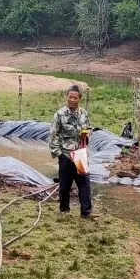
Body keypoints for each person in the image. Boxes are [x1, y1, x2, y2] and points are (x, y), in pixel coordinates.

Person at [49, 85, 93, 217]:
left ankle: (86, 212)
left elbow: (89, 128)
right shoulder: (60, 114)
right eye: (70, 97)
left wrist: (86, 133)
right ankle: (64, 210)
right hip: (66, 155)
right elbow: (53, 135)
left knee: (84, 184)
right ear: (67, 97)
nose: (72, 100)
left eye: (75, 98)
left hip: (80, 155)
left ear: (80, 98)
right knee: (64, 186)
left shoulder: (84, 113)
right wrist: (59, 154)